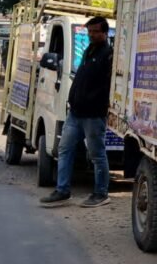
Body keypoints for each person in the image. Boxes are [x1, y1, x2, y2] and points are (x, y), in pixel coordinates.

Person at [40, 16, 114, 208]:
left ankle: (101, 193)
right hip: (75, 113)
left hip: (93, 115)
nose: (91, 35)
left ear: (105, 33)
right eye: (89, 32)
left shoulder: (108, 54)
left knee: (97, 155)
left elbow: (107, 87)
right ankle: (62, 190)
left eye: (96, 32)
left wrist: (93, 102)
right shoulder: (89, 51)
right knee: (64, 149)